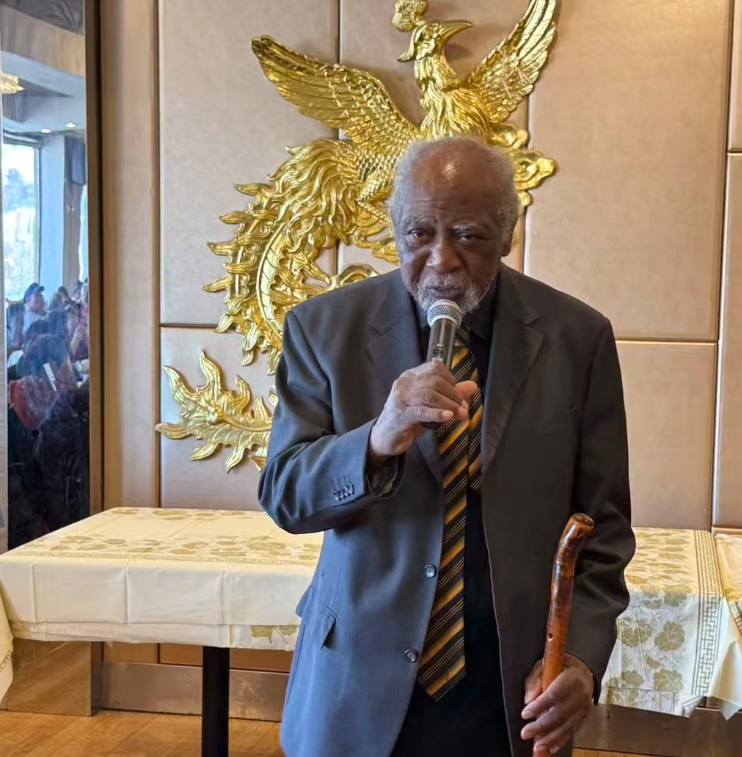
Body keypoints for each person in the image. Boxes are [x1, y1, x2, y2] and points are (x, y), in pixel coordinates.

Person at [259, 137, 635, 757]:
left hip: (512, 690)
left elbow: (603, 531)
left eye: (468, 235)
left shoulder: (577, 338)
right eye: (419, 233)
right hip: (357, 682)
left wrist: (579, 659)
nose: (442, 260)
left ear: (507, 234)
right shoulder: (323, 328)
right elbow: (286, 496)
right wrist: (376, 441)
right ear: (395, 230)